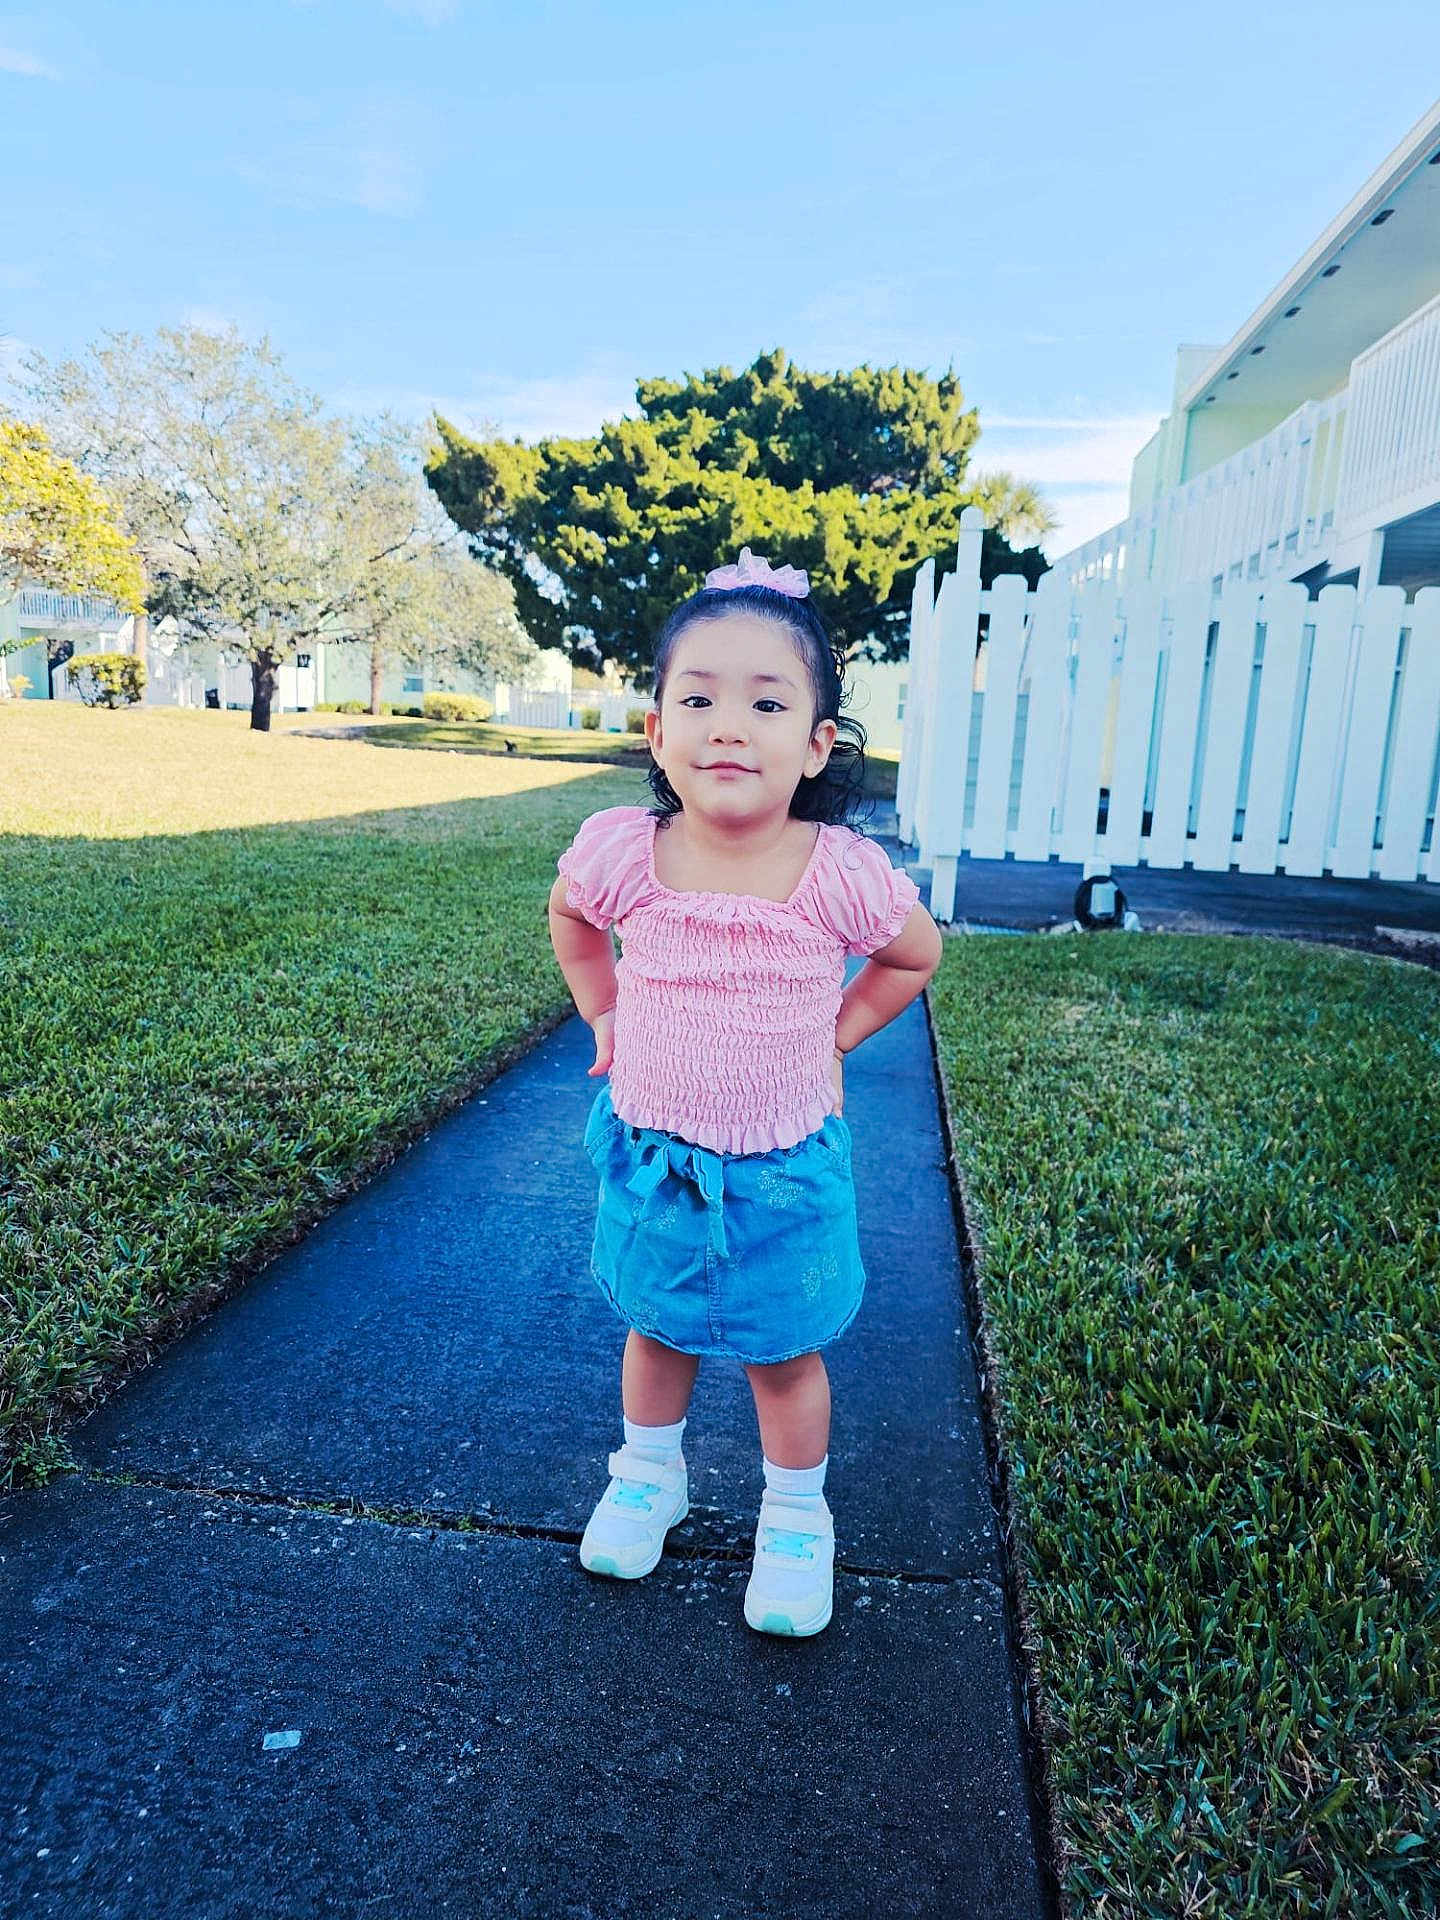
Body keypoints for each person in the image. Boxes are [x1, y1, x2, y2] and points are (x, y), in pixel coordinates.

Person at [548, 546, 942, 1636]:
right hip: (655, 1153)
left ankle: (797, 1515)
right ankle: (646, 1476)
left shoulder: (839, 871)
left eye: (767, 701)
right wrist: (604, 1009)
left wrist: (838, 1033)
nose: (730, 724)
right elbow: (573, 919)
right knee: (656, 1326)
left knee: (783, 1351)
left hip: (786, 1166)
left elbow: (915, 957)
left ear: (818, 743)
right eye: (700, 698)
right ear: (657, 731)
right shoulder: (625, 852)